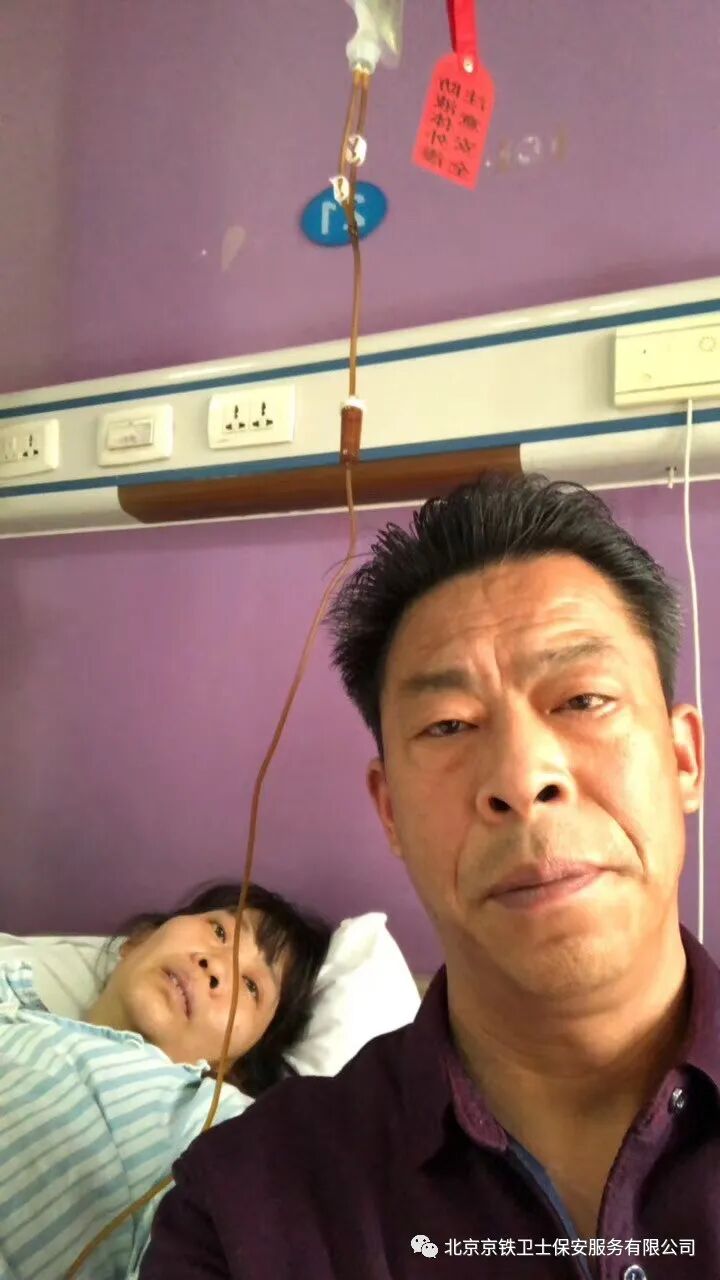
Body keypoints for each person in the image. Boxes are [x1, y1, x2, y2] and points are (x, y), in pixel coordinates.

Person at [140, 472, 716, 1280]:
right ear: (390, 813)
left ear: (684, 759)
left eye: (583, 699)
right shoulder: (244, 1209)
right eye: (448, 725)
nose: (521, 777)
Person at [0, 880, 331, 1280]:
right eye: (220, 931)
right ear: (138, 941)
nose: (216, 965)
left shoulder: (206, 1123)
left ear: (236, 1067)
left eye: (251, 986)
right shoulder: (10, 999)